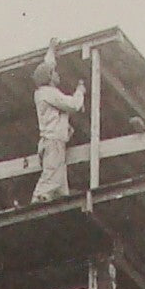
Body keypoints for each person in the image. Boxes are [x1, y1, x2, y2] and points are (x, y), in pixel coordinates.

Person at [31, 49, 85, 204]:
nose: (57, 74)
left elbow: (47, 66)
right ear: (49, 77)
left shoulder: (43, 92)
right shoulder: (49, 93)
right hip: (53, 141)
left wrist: (51, 51)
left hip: (51, 141)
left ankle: (61, 200)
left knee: (59, 180)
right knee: (51, 177)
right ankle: (38, 200)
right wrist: (80, 91)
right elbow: (73, 105)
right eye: (54, 73)